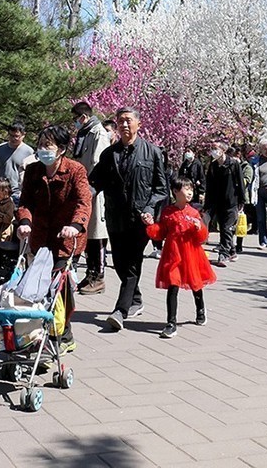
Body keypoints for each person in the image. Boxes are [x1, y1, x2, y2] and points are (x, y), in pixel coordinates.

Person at [89, 107, 169, 332]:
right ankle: (135, 299)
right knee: (120, 264)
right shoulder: (109, 154)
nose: (124, 125)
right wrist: (84, 195)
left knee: (133, 264)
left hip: (139, 220)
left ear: (138, 124)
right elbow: (95, 182)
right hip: (115, 218)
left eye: (128, 121)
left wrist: (151, 208)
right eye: (120, 121)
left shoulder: (152, 152)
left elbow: (162, 188)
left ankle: (120, 311)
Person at [15, 124, 92, 351]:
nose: (42, 150)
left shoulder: (76, 170)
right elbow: (26, 202)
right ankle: (40, 333)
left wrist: (75, 225)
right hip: (40, 237)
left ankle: (61, 335)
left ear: (61, 149)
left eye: (47, 145)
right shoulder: (33, 170)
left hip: (66, 240)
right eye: (40, 145)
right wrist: (25, 222)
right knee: (38, 288)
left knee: (60, 288)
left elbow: (84, 202)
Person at [146, 178, 215, 338]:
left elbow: (202, 236)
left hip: (191, 255)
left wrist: (199, 229)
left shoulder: (194, 213)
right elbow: (161, 231)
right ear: (176, 192)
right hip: (173, 255)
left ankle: (200, 309)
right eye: (186, 188)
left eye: (191, 188)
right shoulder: (168, 212)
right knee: (173, 285)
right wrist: (150, 225)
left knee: (195, 284)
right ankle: (171, 323)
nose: (190, 192)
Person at [72, 102, 111, 294]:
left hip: (94, 191)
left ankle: (99, 276)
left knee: (96, 235)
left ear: (83, 118)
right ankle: (90, 273)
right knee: (87, 235)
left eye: (75, 120)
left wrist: (88, 188)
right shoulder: (84, 134)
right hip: (83, 190)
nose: (74, 124)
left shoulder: (98, 133)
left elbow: (98, 164)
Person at [204, 141, 245, 267]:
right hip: (217, 202)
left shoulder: (233, 164)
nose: (213, 151)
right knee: (223, 228)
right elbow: (209, 186)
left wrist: (242, 201)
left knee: (226, 228)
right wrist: (207, 205)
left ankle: (224, 253)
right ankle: (232, 251)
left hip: (231, 202)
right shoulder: (213, 166)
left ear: (223, 150)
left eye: (215, 148)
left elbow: (240, 183)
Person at [0, 121, 34, 201]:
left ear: (23, 135)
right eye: (11, 135)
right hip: (1, 190)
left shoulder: (29, 152)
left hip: (18, 192)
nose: (14, 139)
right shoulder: (0, 149)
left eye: (17, 136)